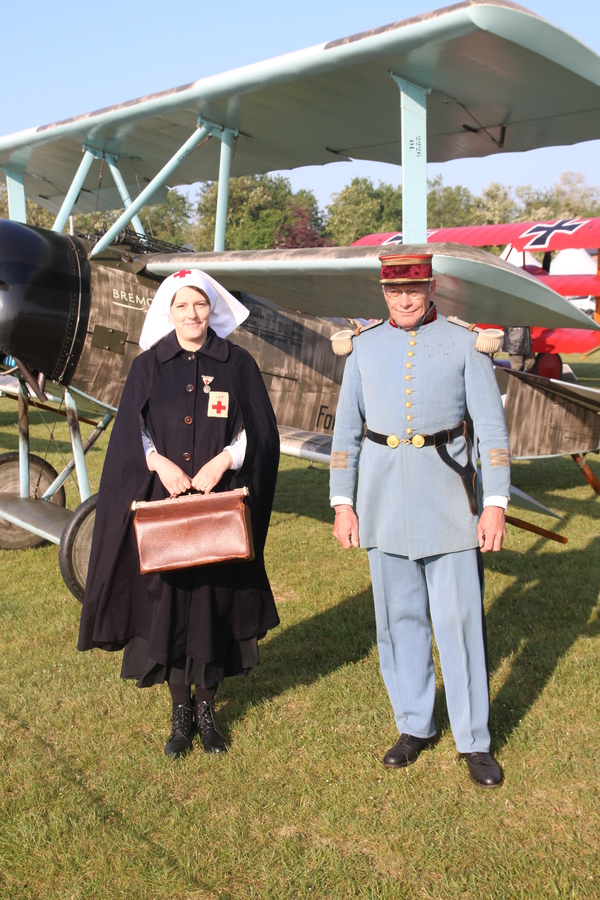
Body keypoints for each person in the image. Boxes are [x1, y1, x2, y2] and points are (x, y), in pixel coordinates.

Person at [78, 269, 280, 759]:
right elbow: (133, 430)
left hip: (218, 503)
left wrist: (223, 462)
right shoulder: (149, 365)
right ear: (167, 312)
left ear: (213, 309)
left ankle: (208, 710)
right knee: (169, 603)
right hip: (165, 504)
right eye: (182, 307)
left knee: (211, 603)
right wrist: (157, 462)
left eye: (201, 306)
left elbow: (257, 432)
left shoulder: (238, 364)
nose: (192, 315)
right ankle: (179, 714)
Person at [330, 253, 510, 788]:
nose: (404, 301)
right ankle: (414, 724)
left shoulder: (465, 343)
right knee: (398, 620)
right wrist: (344, 501)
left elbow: (492, 435)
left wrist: (494, 503)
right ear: (383, 291)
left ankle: (473, 739)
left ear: (430, 287)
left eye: (413, 290)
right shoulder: (361, 347)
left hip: (449, 500)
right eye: (393, 291)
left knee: (458, 625)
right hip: (382, 501)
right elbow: (345, 436)